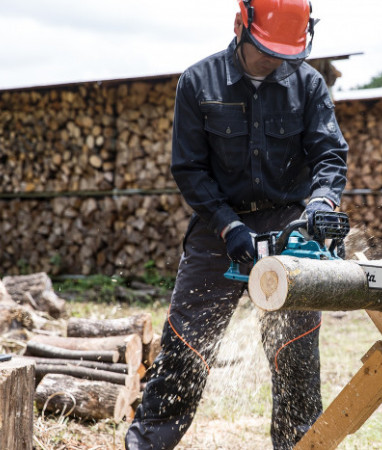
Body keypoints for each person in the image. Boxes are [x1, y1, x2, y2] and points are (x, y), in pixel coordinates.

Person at [125, 0, 348, 449]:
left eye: (286, 53)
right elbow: (189, 169)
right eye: (268, 49)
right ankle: (148, 442)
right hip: (217, 226)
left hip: (290, 224)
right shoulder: (198, 82)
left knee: (297, 356)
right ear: (239, 26)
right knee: (185, 348)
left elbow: (329, 154)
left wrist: (322, 203)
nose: (276, 60)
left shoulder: (308, 84)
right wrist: (229, 227)